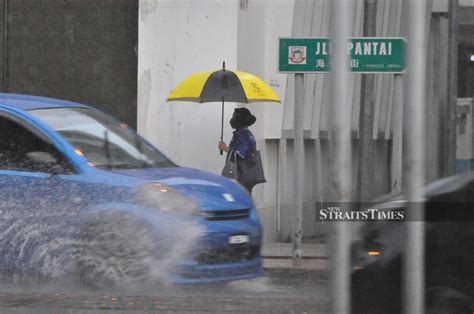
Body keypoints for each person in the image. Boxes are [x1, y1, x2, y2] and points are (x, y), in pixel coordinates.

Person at [218, 108, 257, 193]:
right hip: (241, 176)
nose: (232, 119)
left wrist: (224, 148)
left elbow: (240, 155)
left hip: (241, 178)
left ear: (240, 119)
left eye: (234, 116)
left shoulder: (243, 135)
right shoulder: (241, 133)